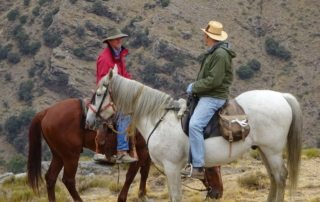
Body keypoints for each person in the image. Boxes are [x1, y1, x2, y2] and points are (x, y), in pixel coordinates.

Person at [181, 21, 236, 179]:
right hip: (209, 94)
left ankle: (198, 166)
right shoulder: (215, 52)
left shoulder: (219, 54)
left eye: (205, 34)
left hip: (213, 96)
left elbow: (214, 81)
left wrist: (194, 87)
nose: (204, 37)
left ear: (210, 36)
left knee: (195, 124)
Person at [93, 28, 137, 163]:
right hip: (109, 95)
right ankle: (122, 151)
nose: (119, 41)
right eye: (116, 39)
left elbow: (124, 75)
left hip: (119, 92)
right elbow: (103, 82)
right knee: (125, 114)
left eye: (120, 38)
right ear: (110, 41)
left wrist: (132, 83)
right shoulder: (105, 59)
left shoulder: (119, 56)